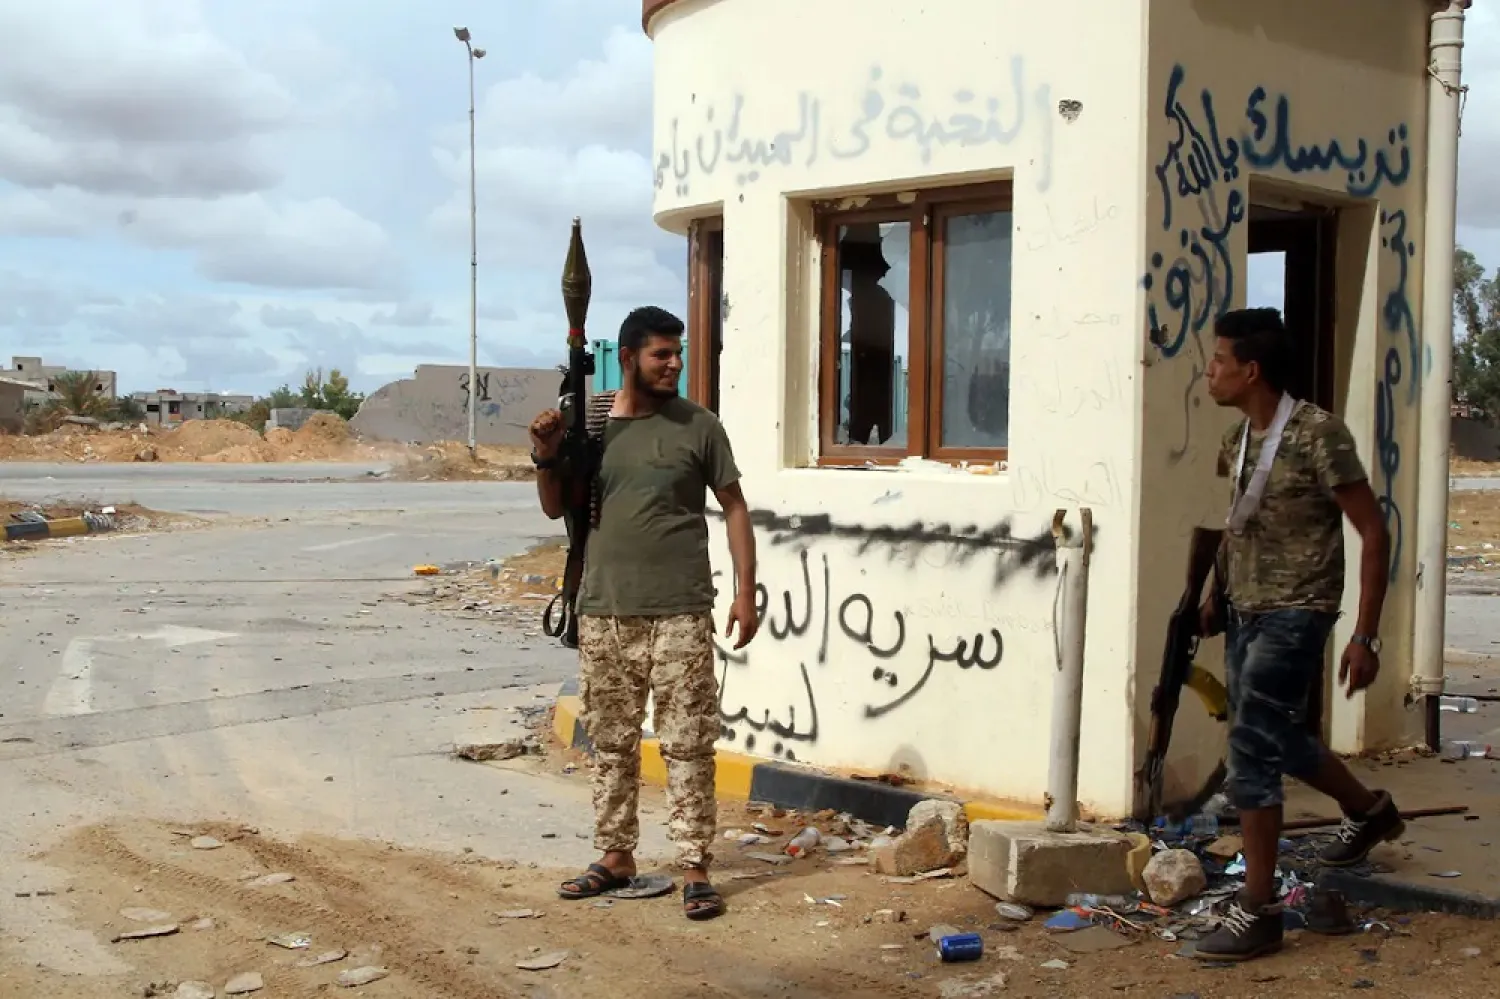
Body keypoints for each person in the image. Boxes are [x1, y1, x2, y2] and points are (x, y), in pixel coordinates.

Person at [528, 305, 759, 922]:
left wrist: (744, 592)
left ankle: (694, 867)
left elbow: (735, 508)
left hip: (682, 609)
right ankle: (615, 855)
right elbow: (557, 509)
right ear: (629, 358)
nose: (675, 364)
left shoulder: (699, 426)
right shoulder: (593, 426)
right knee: (612, 743)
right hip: (605, 609)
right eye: (662, 354)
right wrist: (547, 453)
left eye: (678, 353)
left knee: (688, 744)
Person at [1193, 307, 1401, 962]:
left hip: (1300, 608)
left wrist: (1365, 635)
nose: (1210, 370)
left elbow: (1373, 532)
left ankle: (1259, 908)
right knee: (1277, 734)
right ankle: (1369, 811)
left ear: (1251, 370)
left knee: (1252, 744)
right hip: (1246, 609)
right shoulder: (1239, 442)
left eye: (1219, 360)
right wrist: (1212, 591)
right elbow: (1238, 523)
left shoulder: (1319, 435)